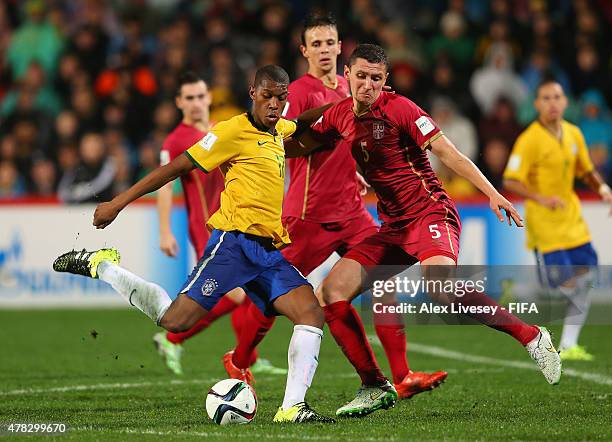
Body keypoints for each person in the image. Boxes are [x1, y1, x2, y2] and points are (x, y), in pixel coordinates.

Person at [53, 65, 334, 423]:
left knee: (310, 312)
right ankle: (102, 266)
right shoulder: (232, 130)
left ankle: (292, 407)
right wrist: (118, 203)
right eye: (268, 96)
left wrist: (345, 103)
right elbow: (176, 168)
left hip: (266, 252)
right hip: (233, 245)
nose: (275, 104)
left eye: (282, 98)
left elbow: (303, 122)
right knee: (175, 321)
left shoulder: (278, 128)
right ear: (252, 93)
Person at [293, 44, 561, 417]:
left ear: (385, 81)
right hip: (393, 226)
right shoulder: (339, 114)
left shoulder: (401, 109)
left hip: (430, 214)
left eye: (376, 78)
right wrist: (254, 145)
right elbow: (302, 142)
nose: (367, 85)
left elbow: (449, 153)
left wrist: (493, 193)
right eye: (361, 77)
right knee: (331, 292)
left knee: (440, 289)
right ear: (348, 76)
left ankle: (532, 336)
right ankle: (372, 384)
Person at [224, 13, 447, 402]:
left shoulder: (355, 86)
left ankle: (402, 375)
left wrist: (357, 171)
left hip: (353, 211)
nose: (325, 49)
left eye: (331, 42)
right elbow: (286, 142)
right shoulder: (299, 92)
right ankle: (240, 359)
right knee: (273, 294)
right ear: (304, 50)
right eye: (317, 44)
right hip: (310, 213)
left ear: (340, 47)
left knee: (386, 285)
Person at [152, 71, 285, 377]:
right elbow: (164, 186)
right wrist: (164, 231)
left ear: (209, 98)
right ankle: (173, 338)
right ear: (179, 103)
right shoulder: (175, 141)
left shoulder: (222, 130)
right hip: (207, 227)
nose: (197, 103)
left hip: (237, 224)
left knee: (248, 294)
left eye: (201, 96)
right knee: (237, 294)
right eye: (190, 98)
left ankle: (248, 358)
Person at [504, 79, 612, 361]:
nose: (552, 103)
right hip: (545, 224)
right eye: (546, 98)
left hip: (572, 220)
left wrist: (602, 188)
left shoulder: (574, 133)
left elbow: (586, 170)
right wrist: (541, 199)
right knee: (561, 283)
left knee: (587, 276)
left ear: (565, 102)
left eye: (557, 97)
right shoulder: (529, 139)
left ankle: (569, 344)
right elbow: (510, 180)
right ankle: (519, 291)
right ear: (537, 104)